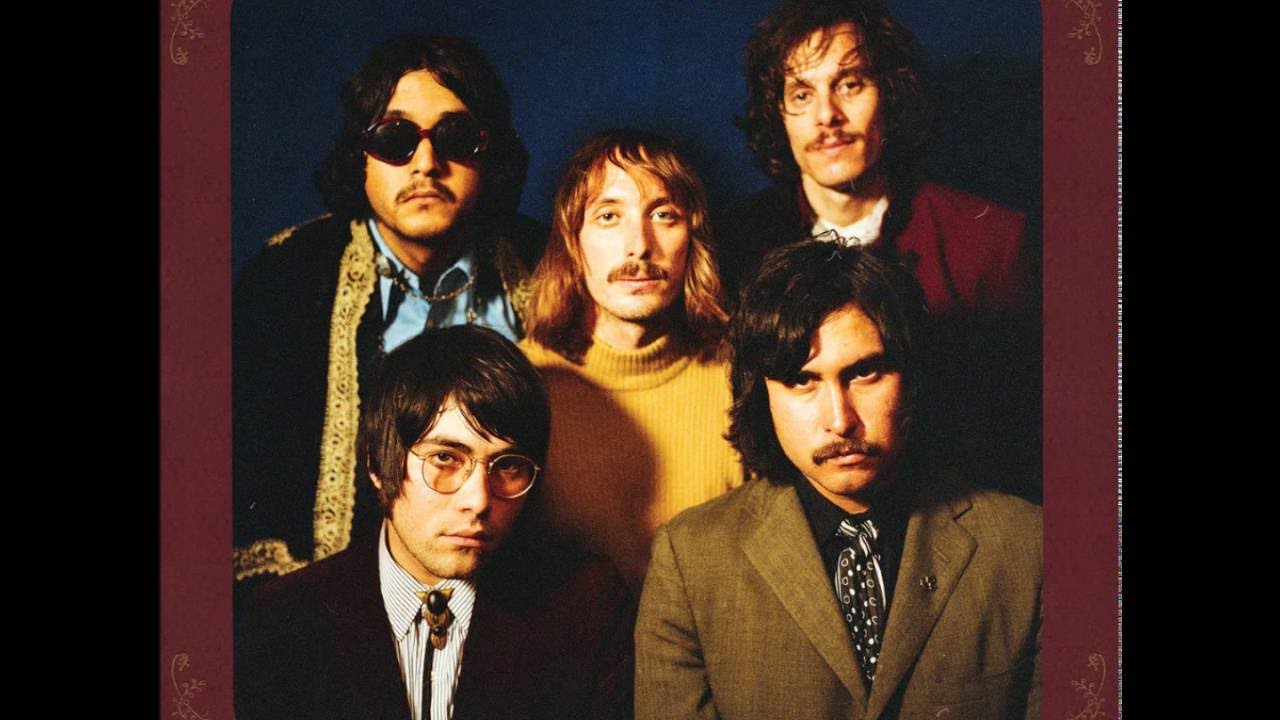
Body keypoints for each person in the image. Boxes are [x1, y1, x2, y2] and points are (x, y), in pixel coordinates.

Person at [635, 241, 1041, 720]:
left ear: (911, 378)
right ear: (761, 395)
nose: (840, 420)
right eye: (802, 380)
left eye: (865, 373)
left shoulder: (1030, 547)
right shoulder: (690, 560)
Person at [233, 33, 545, 583]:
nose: (426, 164)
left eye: (454, 138)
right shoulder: (284, 280)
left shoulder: (549, 266)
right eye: (396, 138)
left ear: (489, 153)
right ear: (360, 156)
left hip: (510, 603)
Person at [720, 0, 1041, 500]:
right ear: (777, 114)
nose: (827, 116)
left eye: (849, 84)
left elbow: (1018, 433)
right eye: (801, 94)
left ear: (890, 94)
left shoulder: (988, 242)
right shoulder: (734, 244)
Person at [235, 326, 633, 720]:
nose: (478, 500)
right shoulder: (283, 622)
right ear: (378, 465)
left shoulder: (586, 609)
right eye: (445, 458)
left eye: (508, 466)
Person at [519, 128, 744, 589]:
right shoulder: (523, 385)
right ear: (573, 242)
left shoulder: (741, 381)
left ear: (692, 237)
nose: (639, 245)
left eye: (663, 215)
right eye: (608, 216)